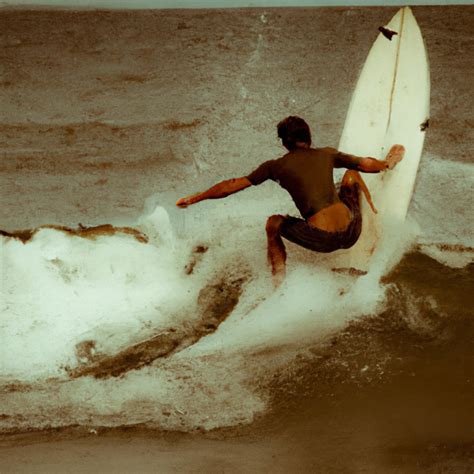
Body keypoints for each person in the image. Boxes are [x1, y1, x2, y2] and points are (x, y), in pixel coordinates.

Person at [176, 116, 404, 286]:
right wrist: (385, 163)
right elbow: (365, 164)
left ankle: (278, 281)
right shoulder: (327, 154)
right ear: (309, 137)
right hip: (352, 231)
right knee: (351, 175)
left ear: (284, 143)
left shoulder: (275, 166)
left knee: (274, 222)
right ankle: (373, 216)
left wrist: (196, 198)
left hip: (323, 241)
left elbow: (231, 186)